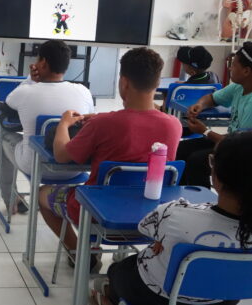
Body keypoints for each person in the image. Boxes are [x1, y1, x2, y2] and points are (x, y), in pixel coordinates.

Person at [40, 48, 182, 269]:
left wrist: (64, 124)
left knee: (43, 193)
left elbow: (61, 154)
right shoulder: (174, 125)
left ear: (124, 83)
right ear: (157, 83)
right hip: (150, 213)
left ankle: (80, 255)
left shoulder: (103, 124)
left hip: (96, 212)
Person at [92, 132, 252, 305]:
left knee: (118, 269)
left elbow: (144, 228)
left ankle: (106, 297)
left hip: (157, 297)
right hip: (222, 300)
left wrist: (164, 239)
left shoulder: (174, 213)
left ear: (217, 179)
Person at [0, 39, 95, 215]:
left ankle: (11, 202)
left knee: (3, 134)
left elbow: (8, 103)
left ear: (42, 63)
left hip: (35, 165)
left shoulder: (26, 91)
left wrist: (30, 80)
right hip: (73, 167)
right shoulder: (83, 91)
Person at [177, 42, 252, 188]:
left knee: (197, 161)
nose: (230, 68)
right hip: (231, 142)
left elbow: (238, 146)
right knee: (181, 149)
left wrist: (205, 131)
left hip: (242, 152)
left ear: (246, 71)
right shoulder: (238, 87)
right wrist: (200, 105)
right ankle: (182, 196)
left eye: (234, 65)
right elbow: (212, 98)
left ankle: (201, 202)